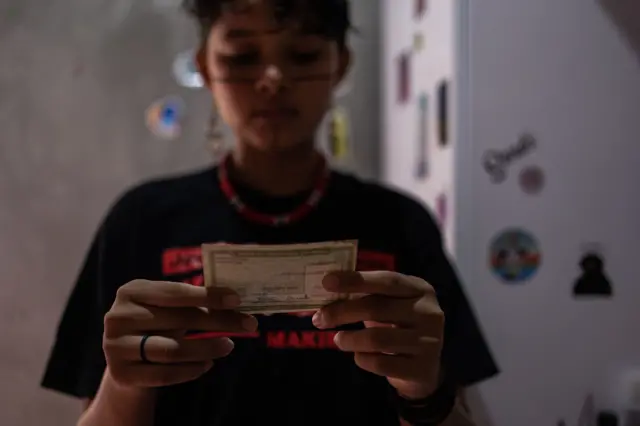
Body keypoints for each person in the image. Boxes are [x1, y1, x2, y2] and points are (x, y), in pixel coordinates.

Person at [41, 1, 499, 425]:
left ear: (340, 63)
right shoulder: (141, 221)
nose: (274, 78)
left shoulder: (402, 224)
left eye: (302, 55)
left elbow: (458, 410)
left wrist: (426, 390)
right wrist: (123, 382)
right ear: (205, 65)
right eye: (242, 57)